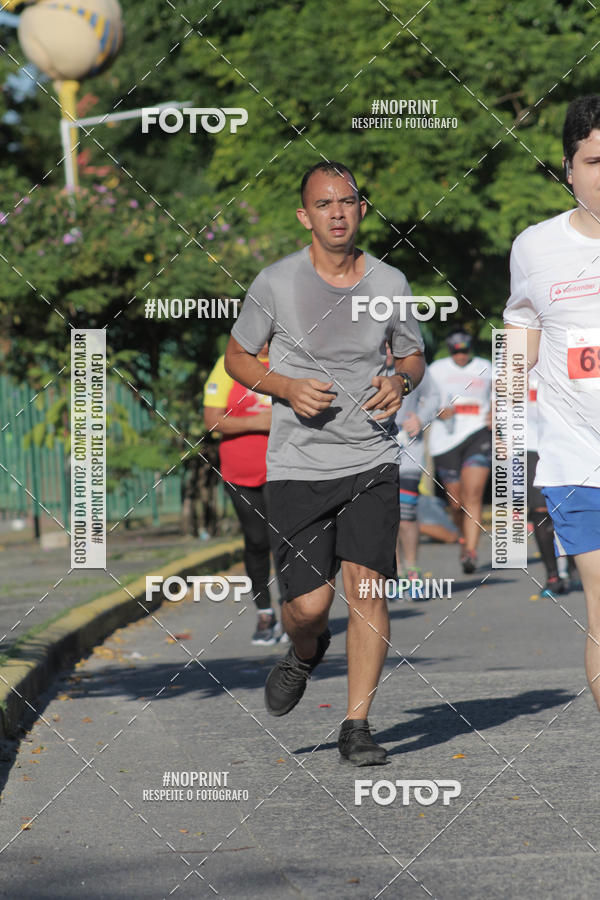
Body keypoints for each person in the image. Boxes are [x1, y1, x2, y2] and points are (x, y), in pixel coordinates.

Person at [224, 160, 425, 765]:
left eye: (347, 201)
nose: (337, 212)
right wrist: (284, 387)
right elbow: (237, 357)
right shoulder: (276, 282)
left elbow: (413, 356)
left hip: (370, 458)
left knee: (367, 589)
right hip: (298, 465)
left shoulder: (390, 283)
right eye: (324, 203)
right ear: (304, 215)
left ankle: (357, 725)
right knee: (308, 608)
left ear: (362, 210)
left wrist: (401, 382)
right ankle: (305, 651)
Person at [504, 94, 600, 709]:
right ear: (569, 169)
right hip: (577, 460)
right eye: (596, 161)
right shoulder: (535, 248)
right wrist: (510, 477)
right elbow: (517, 354)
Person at [203, 344, 283, 645]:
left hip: (283, 468)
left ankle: (293, 613)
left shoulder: (287, 361)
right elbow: (212, 420)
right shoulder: (226, 366)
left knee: (284, 539)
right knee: (257, 541)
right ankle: (265, 613)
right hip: (240, 472)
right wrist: (259, 422)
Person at [428, 330, 493, 573]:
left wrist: (496, 411)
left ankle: (471, 552)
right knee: (457, 503)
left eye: (465, 350)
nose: (461, 356)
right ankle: (463, 537)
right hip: (446, 439)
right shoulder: (437, 368)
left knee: (473, 495)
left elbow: (502, 393)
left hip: (478, 433)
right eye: (456, 351)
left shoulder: (485, 366)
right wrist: (437, 410)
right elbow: (424, 398)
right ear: (450, 350)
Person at [384, 343, 441, 598]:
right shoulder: (363, 366)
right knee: (386, 516)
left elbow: (435, 397)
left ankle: (412, 570)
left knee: (406, 512)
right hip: (376, 452)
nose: (386, 351)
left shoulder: (413, 368)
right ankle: (392, 573)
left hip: (409, 451)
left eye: (390, 346)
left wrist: (421, 418)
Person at [526, 369, 571, 597]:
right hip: (529, 445)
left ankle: (572, 563)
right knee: (540, 510)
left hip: (566, 442)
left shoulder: (560, 351)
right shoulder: (512, 363)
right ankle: (552, 574)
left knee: (570, 509)